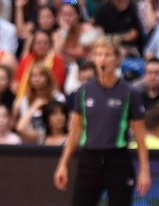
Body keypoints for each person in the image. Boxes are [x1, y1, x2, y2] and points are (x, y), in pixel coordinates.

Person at [54, 36, 151, 205]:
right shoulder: (83, 91)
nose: (102, 59)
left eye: (107, 55)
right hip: (89, 160)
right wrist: (63, 164)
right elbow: (75, 131)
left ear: (118, 59)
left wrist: (144, 170)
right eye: (98, 54)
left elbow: (140, 135)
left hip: (118, 160)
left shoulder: (129, 92)